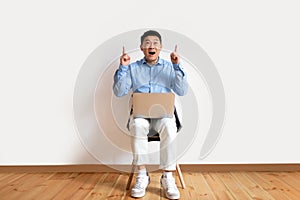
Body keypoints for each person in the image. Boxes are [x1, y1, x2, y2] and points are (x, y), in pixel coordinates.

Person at [113, 30, 188, 199]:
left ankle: (167, 177)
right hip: (141, 117)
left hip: (163, 118)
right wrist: (123, 68)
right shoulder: (133, 68)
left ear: (161, 47)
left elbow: (182, 91)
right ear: (141, 48)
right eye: (147, 43)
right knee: (138, 124)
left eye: (155, 43)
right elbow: (119, 92)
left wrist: (177, 65)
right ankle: (142, 175)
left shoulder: (170, 67)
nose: (151, 46)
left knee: (169, 126)